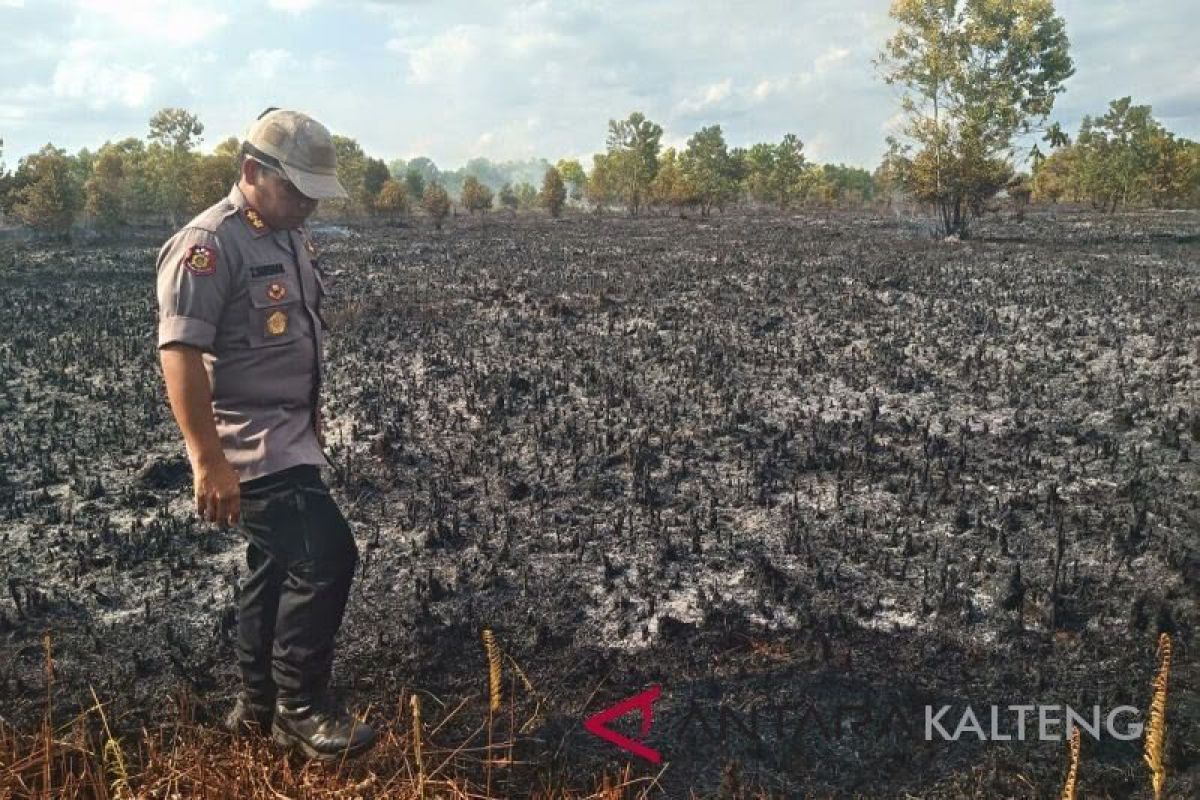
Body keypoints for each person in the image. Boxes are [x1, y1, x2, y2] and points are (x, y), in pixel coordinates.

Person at [155, 108, 376, 760]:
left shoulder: (284, 234)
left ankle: (255, 708)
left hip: (291, 436)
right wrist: (207, 461)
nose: (308, 203)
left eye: (315, 192)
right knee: (328, 555)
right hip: (250, 448)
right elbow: (181, 354)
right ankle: (301, 709)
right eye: (297, 189)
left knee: (274, 568)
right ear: (253, 171)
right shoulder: (209, 245)